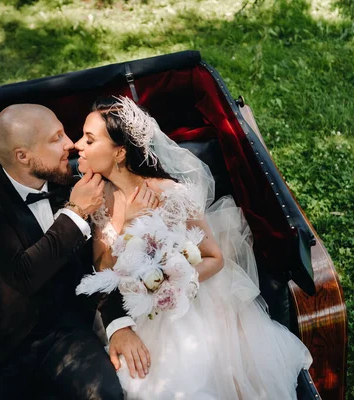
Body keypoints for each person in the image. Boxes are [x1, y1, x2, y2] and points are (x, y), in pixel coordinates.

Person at [74, 96, 313, 399]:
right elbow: (102, 268)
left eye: (89, 140)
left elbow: (215, 257)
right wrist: (125, 225)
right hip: (135, 310)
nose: (77, 145)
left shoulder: (171, 194)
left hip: (189, 305)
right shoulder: (101, 197)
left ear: (120, 152)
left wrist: (171, 284)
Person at [0, 104, 150, 400]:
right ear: (23, 155)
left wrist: (117, 323)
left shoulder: (74, 182)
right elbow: (23, 274)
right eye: (56, 137)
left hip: (66, 334)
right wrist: (76, 211)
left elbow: (99, 261)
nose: (70, 143)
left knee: (107, 394)